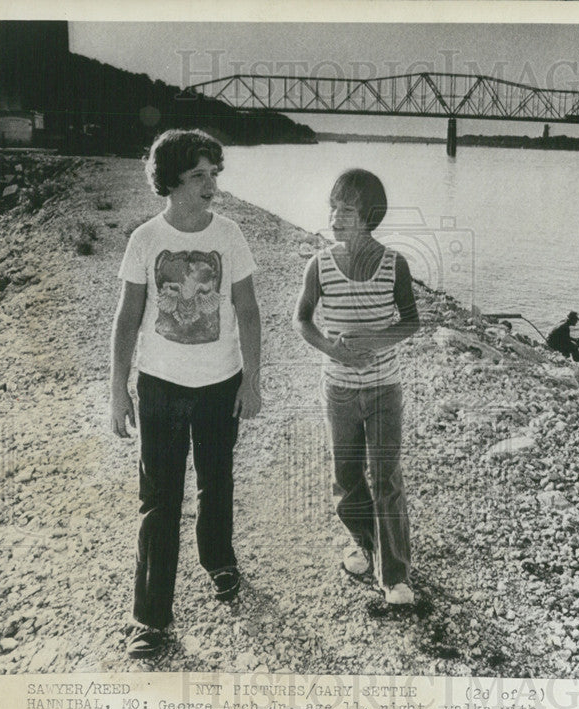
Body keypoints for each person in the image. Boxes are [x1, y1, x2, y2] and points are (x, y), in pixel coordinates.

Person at [110, 129, 262, 658]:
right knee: (159, 501)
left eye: (214, 173)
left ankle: (218, 560)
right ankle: (149, 618)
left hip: (221, 384)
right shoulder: (145, 240)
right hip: (160, 387)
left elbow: (247, 309)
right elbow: (127, 319)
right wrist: (118, 390)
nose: (211, 184)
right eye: (199, 175)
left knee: (217, 482)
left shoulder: (231, 235)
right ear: (170, 181)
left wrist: (253, 378)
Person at [293, 168, 420, 605]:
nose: (334, 217)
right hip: (339, 390)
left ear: (368, 216)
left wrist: (371, 341)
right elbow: (303, 320)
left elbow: (412, 321)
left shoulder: (394, 264)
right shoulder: (320, 264)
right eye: (333, 207)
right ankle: (362, 542)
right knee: (347, 476)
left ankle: (396, 575)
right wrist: (334, 349)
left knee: (386, 478)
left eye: (345, 209)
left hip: (385, 388)